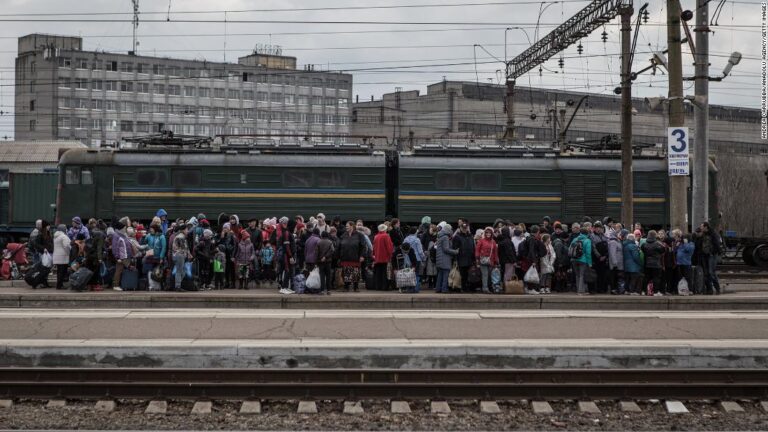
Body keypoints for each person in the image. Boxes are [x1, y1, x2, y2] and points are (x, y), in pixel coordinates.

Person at [338, 221, 367, 292]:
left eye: (347, 226)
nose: (346, 227)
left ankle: (356, 287)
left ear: (352, 226)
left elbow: (363, 246)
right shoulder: (343, 235)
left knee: (355, 273)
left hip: (355, 257)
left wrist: (362, 256)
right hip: (345, 257)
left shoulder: (359, 235)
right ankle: (346, 287)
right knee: (346, 273)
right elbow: (339, 246)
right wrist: (339, 256)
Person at [272, 217, 297, 294]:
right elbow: (287, 246)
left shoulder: (288, 233)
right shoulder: (287, 233)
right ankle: (283, 287)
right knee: (287, 271)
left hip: (287, 255)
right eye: (295, 226)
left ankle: (285, 287)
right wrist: (290, 257)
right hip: (286, 256)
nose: (296, 228)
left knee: (287, 271)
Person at [698, 222, 722, 295]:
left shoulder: (713, 234)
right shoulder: (702, 234)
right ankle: (709, 290)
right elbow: (699, 244)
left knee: (711, 272)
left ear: (706, 227)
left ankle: (717, 288)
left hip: (711, 255)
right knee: (706, 273)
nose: (700, 228)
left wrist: (713, 252)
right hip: (704, 255)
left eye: (702, 226)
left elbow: (717, 245)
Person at [452, 222, 476, 293]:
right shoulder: (457, 237)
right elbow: (455, 248)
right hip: (461, 259)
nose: (465, 229)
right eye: (463, 228)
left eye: (466, 228)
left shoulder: (471, 236)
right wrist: (455, 259)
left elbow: (473, 247)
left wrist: (473, 258)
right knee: (461, 275)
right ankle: (461, 287)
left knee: (468, 274)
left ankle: (466, 287)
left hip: (469, 259)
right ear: (460, 228)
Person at [435, 224, 459, 293]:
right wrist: (455, 251)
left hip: (440, 259)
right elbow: (446, 249)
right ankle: (444, 289)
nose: (452, 230)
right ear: (448, 230)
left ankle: (438, 289)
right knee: (445, 274)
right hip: (444, 259)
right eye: (451, 229)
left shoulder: (441, 236)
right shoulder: (445, 237)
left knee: (440, 275)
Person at [474, 227, 499, 294]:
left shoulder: (493, 242)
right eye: (487, 232)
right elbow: (477, 250)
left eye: (490, 233)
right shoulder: (481, 241)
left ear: (492, 234)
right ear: (485, 233)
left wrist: (496, 261)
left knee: (489, 275)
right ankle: (485, 288)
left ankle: (488, 287)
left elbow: (495, 252)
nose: (488, 234)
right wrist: (477, 258)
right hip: (483, 260)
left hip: (491, 261)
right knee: (485, 274)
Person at [641, 230, 665, 296]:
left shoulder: (644, 244)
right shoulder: (658, 244)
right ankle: (655, 292)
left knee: (646, 277)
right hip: (656, 264)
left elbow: (642, 249)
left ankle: (643, 291)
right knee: (656, 278)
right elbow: (663, 249)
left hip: (647, 264)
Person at [571, 227, 593, 295]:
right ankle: (581, 291)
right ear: (587, 233)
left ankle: (578, 290)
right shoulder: (587, 240)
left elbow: (570, 249)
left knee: (577, 275)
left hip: (574, 259)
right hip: (583, 260)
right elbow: (588, 253)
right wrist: (589, 263)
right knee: (582, 275)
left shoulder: (575, 239)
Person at [403, 227, 425, 292]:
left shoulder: (405, 239)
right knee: (416, 274)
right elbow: (420, 251)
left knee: (408, 274)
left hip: (407, 259)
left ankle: (408, 288)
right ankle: (415, 288)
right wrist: (423, 258)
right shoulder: (417, 240)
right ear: (415, 232)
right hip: (417, 259)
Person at [372, 224, 394, 291]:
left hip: (377, 258)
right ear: (384, 229)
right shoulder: (386, 236)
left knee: (378, 273)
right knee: (385, 273)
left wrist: (374, 256)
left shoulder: (376, 236)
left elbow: (373, 248)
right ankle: (385, 287)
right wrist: (390, 255)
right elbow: (389, 247)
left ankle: (378, 286)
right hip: (385, 258)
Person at [172, 225, 192, 292]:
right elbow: (184, 247)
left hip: (179, 255)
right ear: (183, 230)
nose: (188, 231)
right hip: (179, 255)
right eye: (187, 229)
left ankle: (177, 285)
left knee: (182, 272)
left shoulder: (181, 236)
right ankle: (177, 287)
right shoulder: (181, 237)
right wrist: (188, 254)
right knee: (179, 271)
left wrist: (188, 254)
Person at [110, 222, 129, 292]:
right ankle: (115, 285)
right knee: (118, 270)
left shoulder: (122, 235)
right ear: (121, 228)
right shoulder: (117, 236)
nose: (125, 229)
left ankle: (117, 284)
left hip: (124, 256)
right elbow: (115, 248)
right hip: (121, 257)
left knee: (120, 270)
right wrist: (117, 258)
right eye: (124, 228)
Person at [52, 224, 71, 290]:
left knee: (59, 271)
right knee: (62, 272)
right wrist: (69, 252)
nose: (66, 230)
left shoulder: (56, 236)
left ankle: (59, 285)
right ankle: (59, 286)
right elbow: (66, 246)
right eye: (66, 228)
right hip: (63, 256)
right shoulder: (63, 236)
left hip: (57, 256)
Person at [315, 231, 335, 295]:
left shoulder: (318, 242)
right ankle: (329, 290)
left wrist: (318, 260)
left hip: (320, 262)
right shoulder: (330, 242)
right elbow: (332, 250)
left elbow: (316, 252)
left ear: (321, 235)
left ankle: (322, 290)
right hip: (328, 261)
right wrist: (326, 257)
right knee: (328, 276)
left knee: (322, 276)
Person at [607, 229, 625, 294]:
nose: (619, 235)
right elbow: (612, 253)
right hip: (615, 264)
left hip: (618, 263)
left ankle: (616, 289)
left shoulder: (617, 241)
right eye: (618, 233)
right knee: (613, 276)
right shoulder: (613, 242)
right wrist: (614, 263)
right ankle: (613, 289)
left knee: (616, 277)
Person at [220, 223, 237, 289]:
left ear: (229, 228)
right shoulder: (223, 235)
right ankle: (227, 283)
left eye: (226, 228)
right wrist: (222, 237)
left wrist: (233, 255)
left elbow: (235, 245)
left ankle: (233, 283)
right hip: (224, 255)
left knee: (232, 269)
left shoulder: (232, 235)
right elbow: (221, 245)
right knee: (226, 269)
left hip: (230, 254)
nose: (224, 229)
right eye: (224, 228)